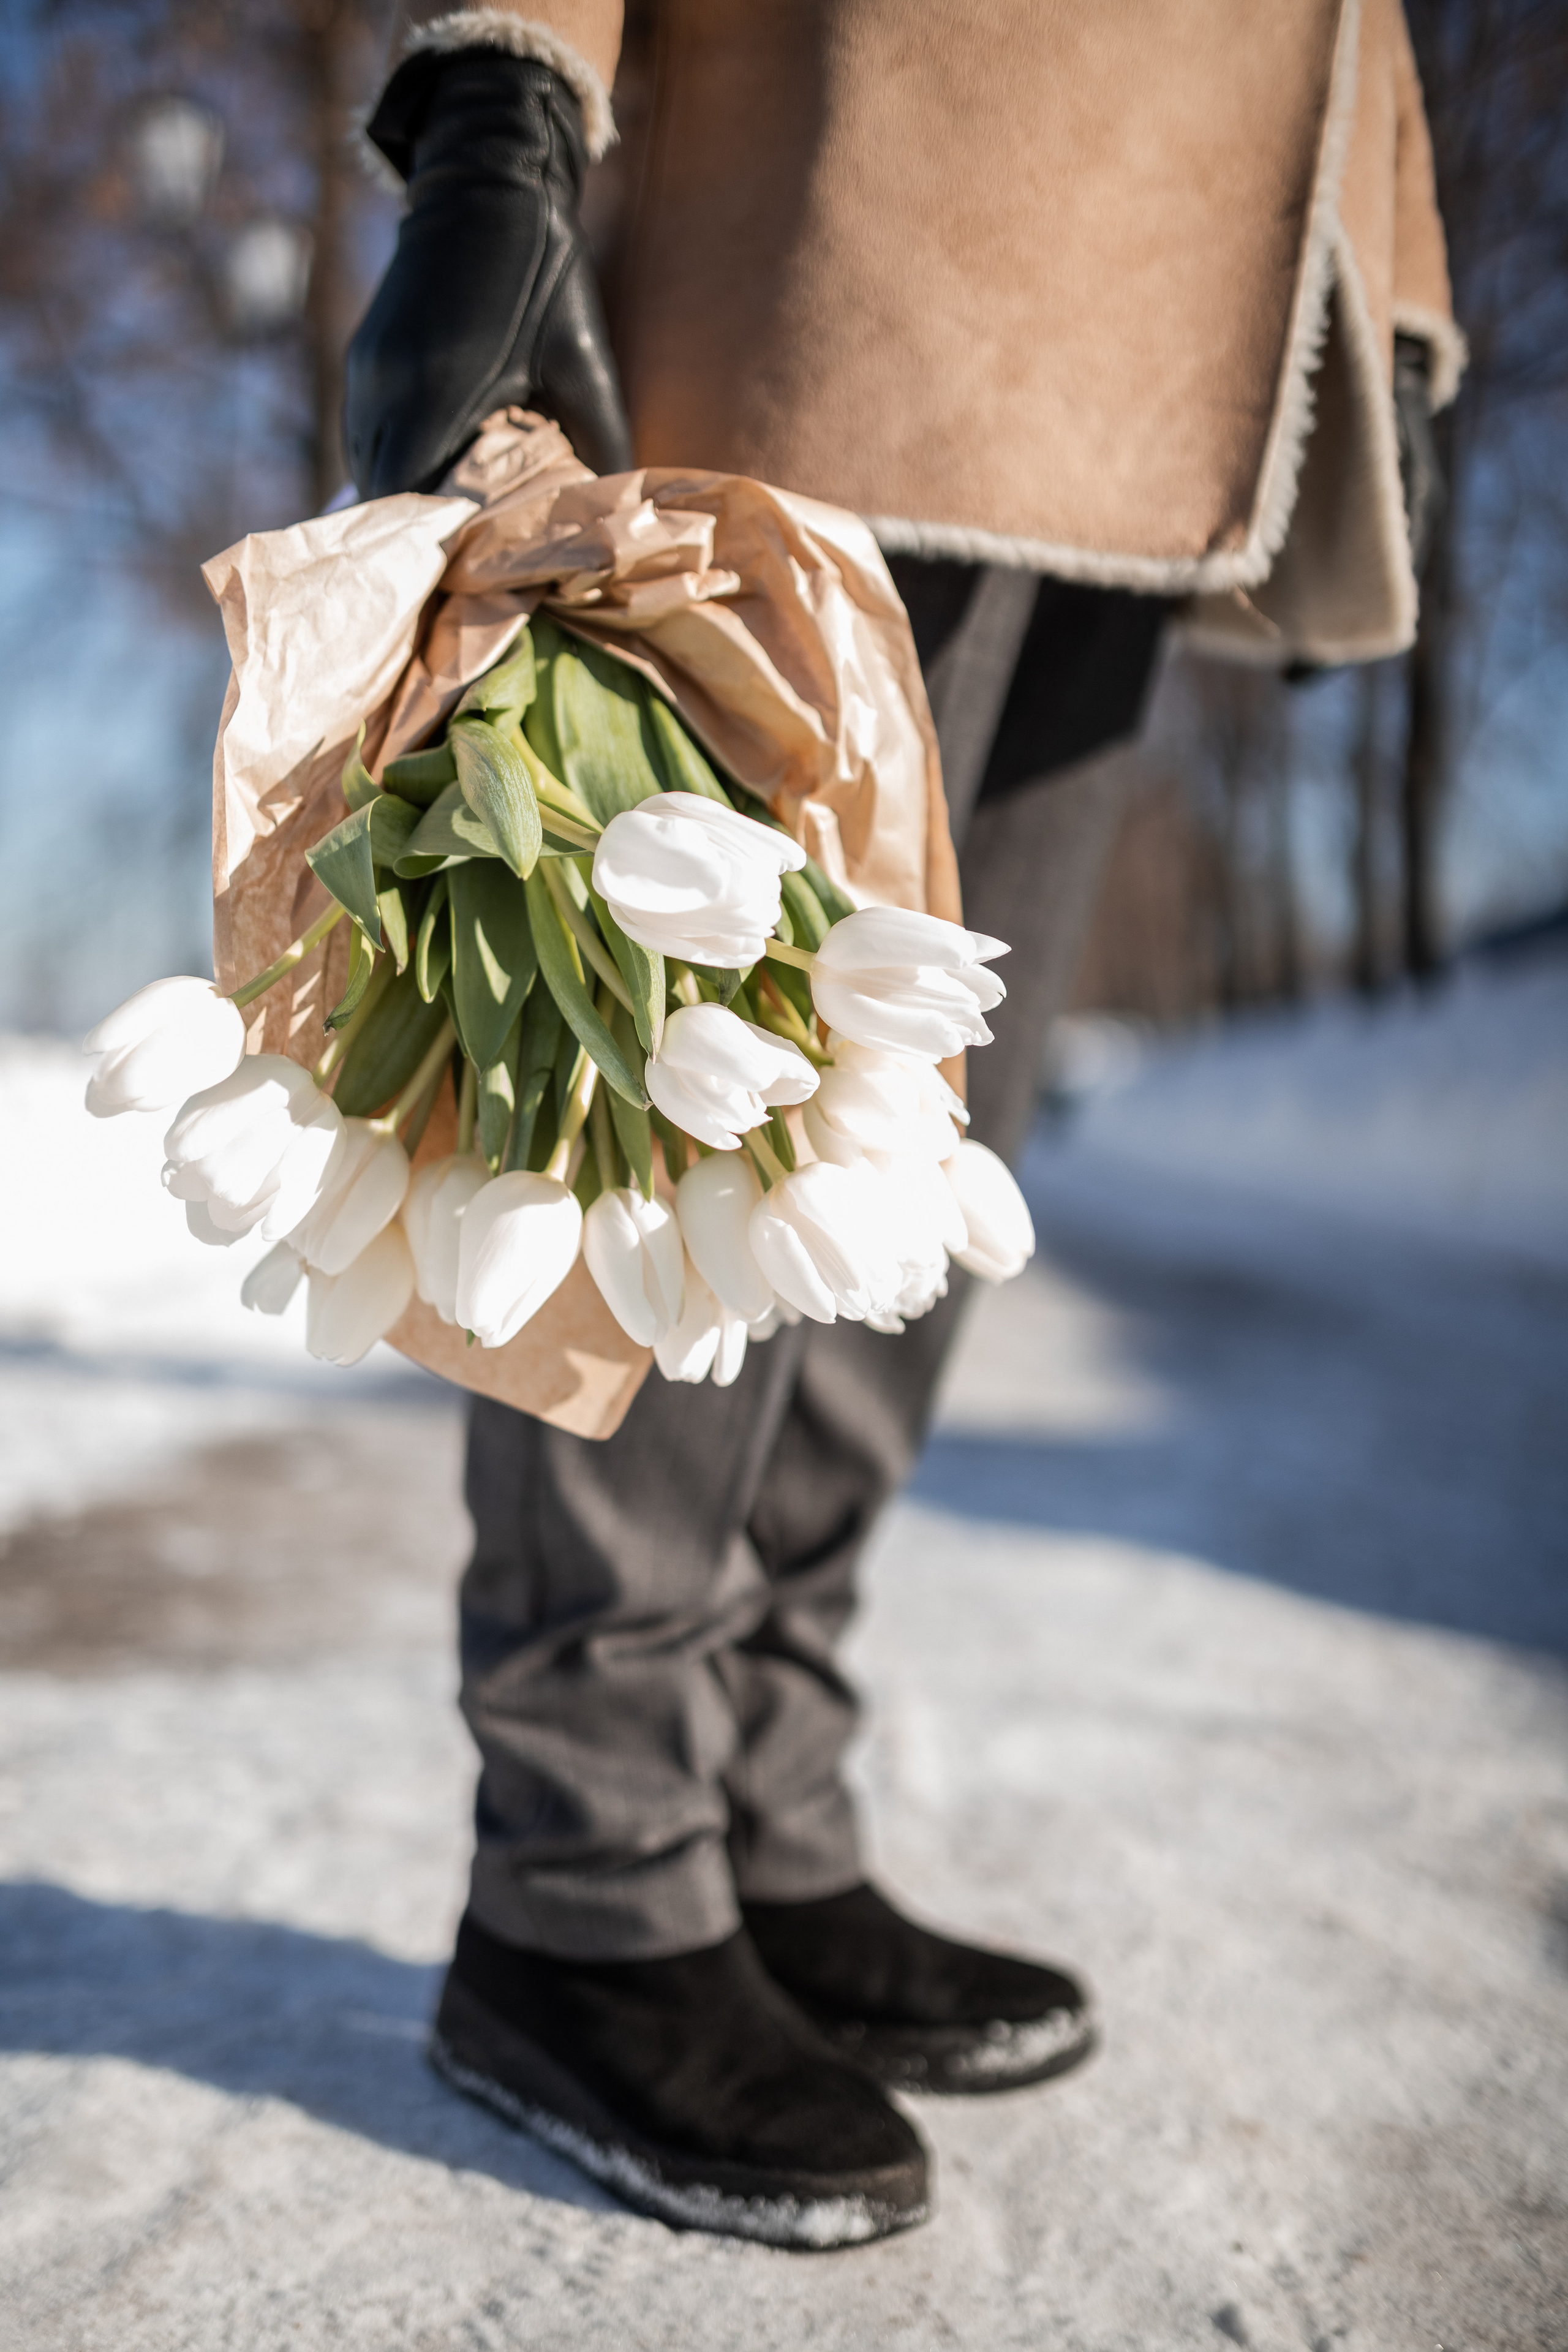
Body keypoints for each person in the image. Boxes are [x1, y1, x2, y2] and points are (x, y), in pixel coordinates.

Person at [343, 0, 1459, 2247]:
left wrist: (1393, 283)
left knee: (919, 1141)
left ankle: (759, 1803)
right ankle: (585, 1878)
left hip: (1185, 337)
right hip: (855, 233)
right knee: (706, 1101)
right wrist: (507, 84)